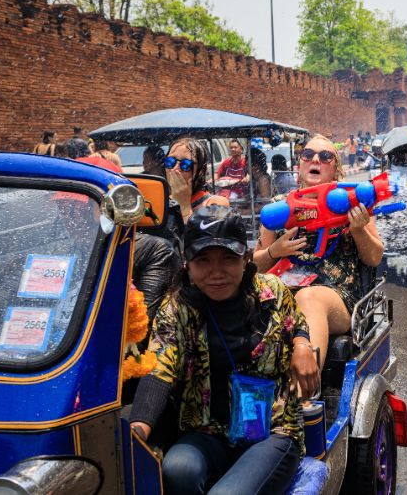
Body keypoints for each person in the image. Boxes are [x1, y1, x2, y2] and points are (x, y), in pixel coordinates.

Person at [129, 206, 308, 494]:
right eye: (203, 260)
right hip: (207, 431)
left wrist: (301, 344)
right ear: (187, 263)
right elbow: (159, 368)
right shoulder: (177, 309)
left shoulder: (272, 293)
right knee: (176, 471)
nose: (216, 272)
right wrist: (138, 429)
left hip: (271, 431)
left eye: (228, 258)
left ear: (246, 258)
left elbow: (297, 322)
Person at [254, 134, 384, 372]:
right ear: (299, 165)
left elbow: (374, 257)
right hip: (281, 293)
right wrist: (274, 251)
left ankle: (304, 397)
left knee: (309, 298)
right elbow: (254, 267)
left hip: (334, 297)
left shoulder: (353, 203)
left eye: (325, 157)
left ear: (335, 169)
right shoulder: (279, 207)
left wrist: (358, 230)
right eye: (308, 154)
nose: (315, 159)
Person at [164, 137, 229, 222]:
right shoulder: (161, 201)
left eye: (185, 164)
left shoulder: (215, 203)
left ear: (201, 171)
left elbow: (203, 235)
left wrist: (184, 205)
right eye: (170, 161)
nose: (175, 168)